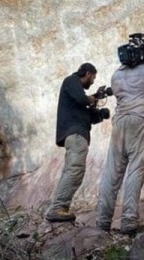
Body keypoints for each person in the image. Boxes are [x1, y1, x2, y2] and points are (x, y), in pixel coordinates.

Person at [95, 60, 144, 235]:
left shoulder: (117, 74)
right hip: (139, 121)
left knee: (112, 172)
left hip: (120, 122)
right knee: (135, 169)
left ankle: (102, 221)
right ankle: (129, 220)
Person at [45, 62, 103, 222]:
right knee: (75, 169)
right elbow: (80, 98)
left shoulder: (77, 94)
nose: (92, 81)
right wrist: (91, 98)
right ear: (88, 73)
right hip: (75, 134)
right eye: (93, 78)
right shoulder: (71, 81)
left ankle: (60, 207)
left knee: (72, 170)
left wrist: (99, 112)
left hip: (77, 133)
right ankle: (58, 208)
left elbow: (90, 115)